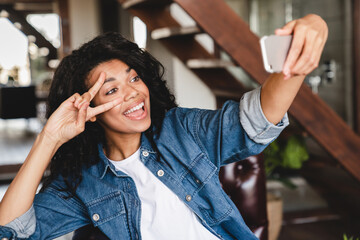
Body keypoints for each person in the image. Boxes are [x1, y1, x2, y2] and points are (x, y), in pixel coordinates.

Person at [0, 14, 328, 239]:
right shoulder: (82, 182)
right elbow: (13, 230)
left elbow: (253, 123)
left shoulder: (180, 130)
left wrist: (311, 30)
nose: (133, 92)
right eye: (112, 90)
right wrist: (49, 138)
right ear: (91, 111)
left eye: (134, 78)